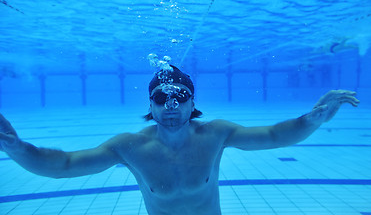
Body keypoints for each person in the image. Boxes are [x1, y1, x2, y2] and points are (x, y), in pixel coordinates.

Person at [0, 65, 360, 215]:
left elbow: (274, 136)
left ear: (192, 102)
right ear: (150, 105)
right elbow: (62, 166)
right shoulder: (130, 147)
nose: (170, 106)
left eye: (179, 97)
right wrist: (16, 147)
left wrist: (313, 119)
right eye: (160, 99)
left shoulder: (216, 134)